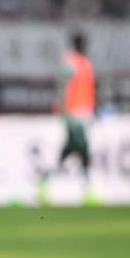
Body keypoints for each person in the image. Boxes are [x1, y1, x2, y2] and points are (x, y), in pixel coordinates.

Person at [38, 32, 98, 206]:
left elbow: (88, 90)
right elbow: (62, 88)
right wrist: (64, 112)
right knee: (83, 148)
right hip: (72, 115)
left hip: (83, 114)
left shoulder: (85, 64)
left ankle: (44, 179)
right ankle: (88, 189)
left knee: (69, 151)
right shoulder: (69, 63)